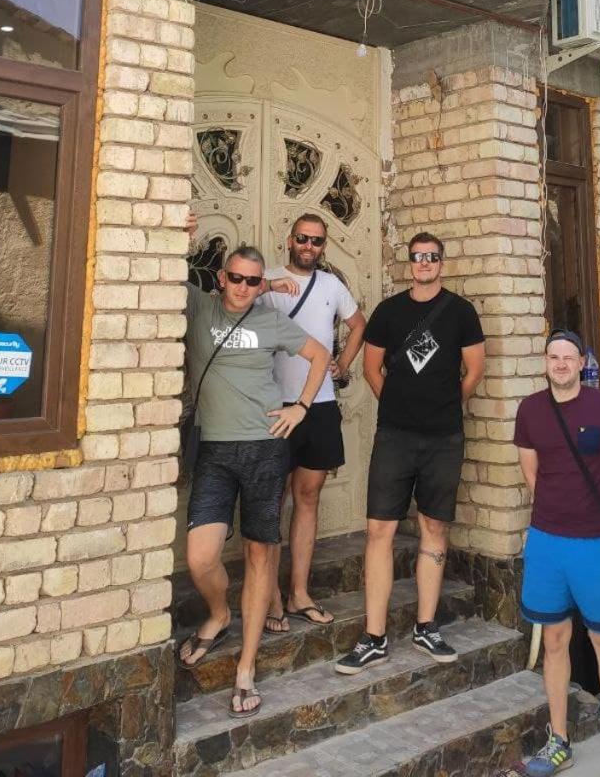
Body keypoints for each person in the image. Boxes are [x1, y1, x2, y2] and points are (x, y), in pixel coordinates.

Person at [179, 213, 330, 720]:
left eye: (252, 280)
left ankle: (246, 666)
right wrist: (178, 233)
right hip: (216, 450)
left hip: (265, 448)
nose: (243, 288)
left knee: (260, 553)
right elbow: (165, 270)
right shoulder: (200, 307)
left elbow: (319, 355)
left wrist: (300, 407)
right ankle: (219, 613)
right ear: (222, 278)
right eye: (235, 278)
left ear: (259, 283)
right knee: (201, 556)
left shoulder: (270, 321)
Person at [336, 231, 484, 674]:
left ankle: (426, 626)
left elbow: (474, 369)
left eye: (432, 257)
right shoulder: (389, 311)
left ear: (441, 262)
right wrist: (399, 405)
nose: (424, 263)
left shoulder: (461, 312)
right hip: (395, 437)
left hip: (444, 438)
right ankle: (374, 637)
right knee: (379, 529)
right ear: (409, 263)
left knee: (434, 527)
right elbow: (371, 368)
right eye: (418, 257)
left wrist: (446, 405)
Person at [514, 329, 600, 777]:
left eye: (569, 357)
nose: (561, 364)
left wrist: (591, 509)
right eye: (554, 356)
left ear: (582, 362)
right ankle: (559, 743)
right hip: (547, 542)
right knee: (553, 641)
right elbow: (531, 473)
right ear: (545, 362)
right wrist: (558, 508)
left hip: (596, 544)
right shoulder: (530, 410)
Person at [260, 212, 367, 631]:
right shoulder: (267, 279)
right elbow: (231, 302)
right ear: (290, 240)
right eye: (303, 238)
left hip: (319, 405)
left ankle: (299, 593)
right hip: (275, 404)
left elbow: (358, 324)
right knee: (270, 501)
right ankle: (270, 598)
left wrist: (343, 364)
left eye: (317, 241)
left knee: (308, 497)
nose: (309, 246)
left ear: (324, 246)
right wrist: (266, 286)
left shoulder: (331, 286)